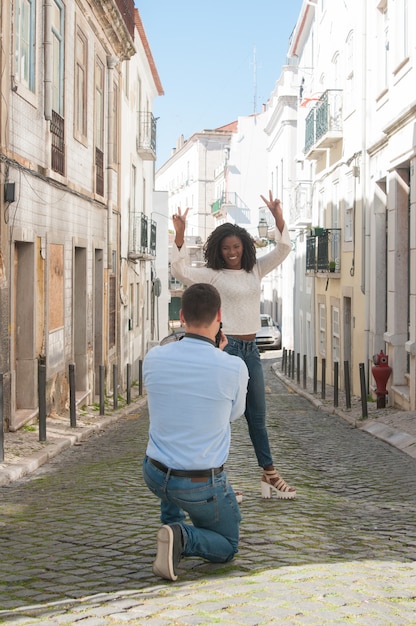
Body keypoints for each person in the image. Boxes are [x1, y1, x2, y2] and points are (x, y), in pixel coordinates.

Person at [170, 190, 296, 500]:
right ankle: (218, 478)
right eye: (226, 248)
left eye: (236, 246)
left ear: (244, 247)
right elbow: (180, 271)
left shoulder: (255, 270)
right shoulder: (211, 275)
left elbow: (282, 250)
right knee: (220, 418)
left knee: (257, 416)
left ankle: (269, 474)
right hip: (224, 349)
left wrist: (279, 218)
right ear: (218, 249)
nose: (231, 252)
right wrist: (180, 237)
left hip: (251, 352)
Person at [142, 283, 249, 581]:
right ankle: (181, 537)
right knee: (227, 544)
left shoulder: (154, 357)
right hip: (200, 485)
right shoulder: (233, 366)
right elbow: (234, 414)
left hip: (154, 473)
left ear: (181, 316)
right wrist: (221, 356)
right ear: (219, 315)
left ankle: (170, 522)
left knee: (174, 437)